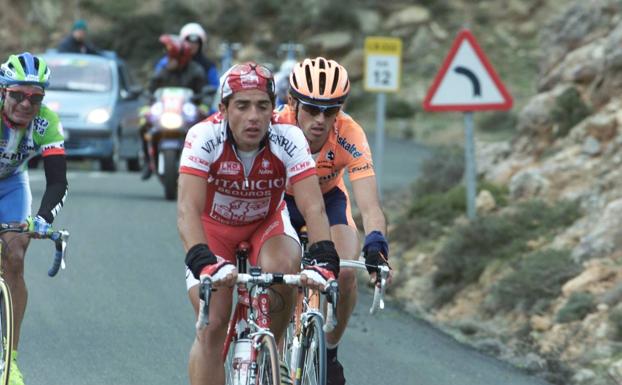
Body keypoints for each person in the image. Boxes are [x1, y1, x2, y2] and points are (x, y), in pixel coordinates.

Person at [177, 62, 340, 385]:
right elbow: (187, 209)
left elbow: (312, 206)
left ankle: (272, 351)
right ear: (223, 108)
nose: (253, 116)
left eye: (262, 106)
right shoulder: (204, 136)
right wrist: (202, 260)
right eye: (242, 105)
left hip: (265, 225)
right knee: (212, 326)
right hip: (214, 232)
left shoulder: (288, 138)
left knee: (284, 269)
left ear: (273, 109)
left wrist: (324, 257)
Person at [274, 57, 391, 385]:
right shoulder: (275, 127)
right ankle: (275, 345)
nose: (320, 120)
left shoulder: (349, 132)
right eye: (311, 109)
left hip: (329, 200)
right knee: (283, 268)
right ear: (293, 103)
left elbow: (369, 205)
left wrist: (377, 243)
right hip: (284, 200)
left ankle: (329, 349)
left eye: (331, 110)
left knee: (344, 271)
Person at [0, 53, 68, 385]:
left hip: (11, 183)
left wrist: (42, 218)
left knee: (15, 253)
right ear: (3, 92)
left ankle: (9, 360)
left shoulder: (47, 122)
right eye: (18, 95)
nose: (26, 104)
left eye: (36, 97)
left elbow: (58, 180)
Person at [140, 34, 206, 180]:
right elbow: (151, 89)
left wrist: (202, 105)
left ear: (181, 59)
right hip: (166, 112)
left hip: (187, 114)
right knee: (144, 125)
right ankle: (147, 162)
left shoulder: (196, 72)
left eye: (171, 58)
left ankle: (205, 163)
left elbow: (204, 93)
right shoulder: (163, 71)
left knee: (206, 129)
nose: (167, 61)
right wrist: (148, 102)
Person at [155, 23, 219, 91]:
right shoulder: (167, 62)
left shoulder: (208, 65)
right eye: (188, 41)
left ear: (200, 44)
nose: (192, 45)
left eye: (196, 42)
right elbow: (155, 83)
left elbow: (215, 88)